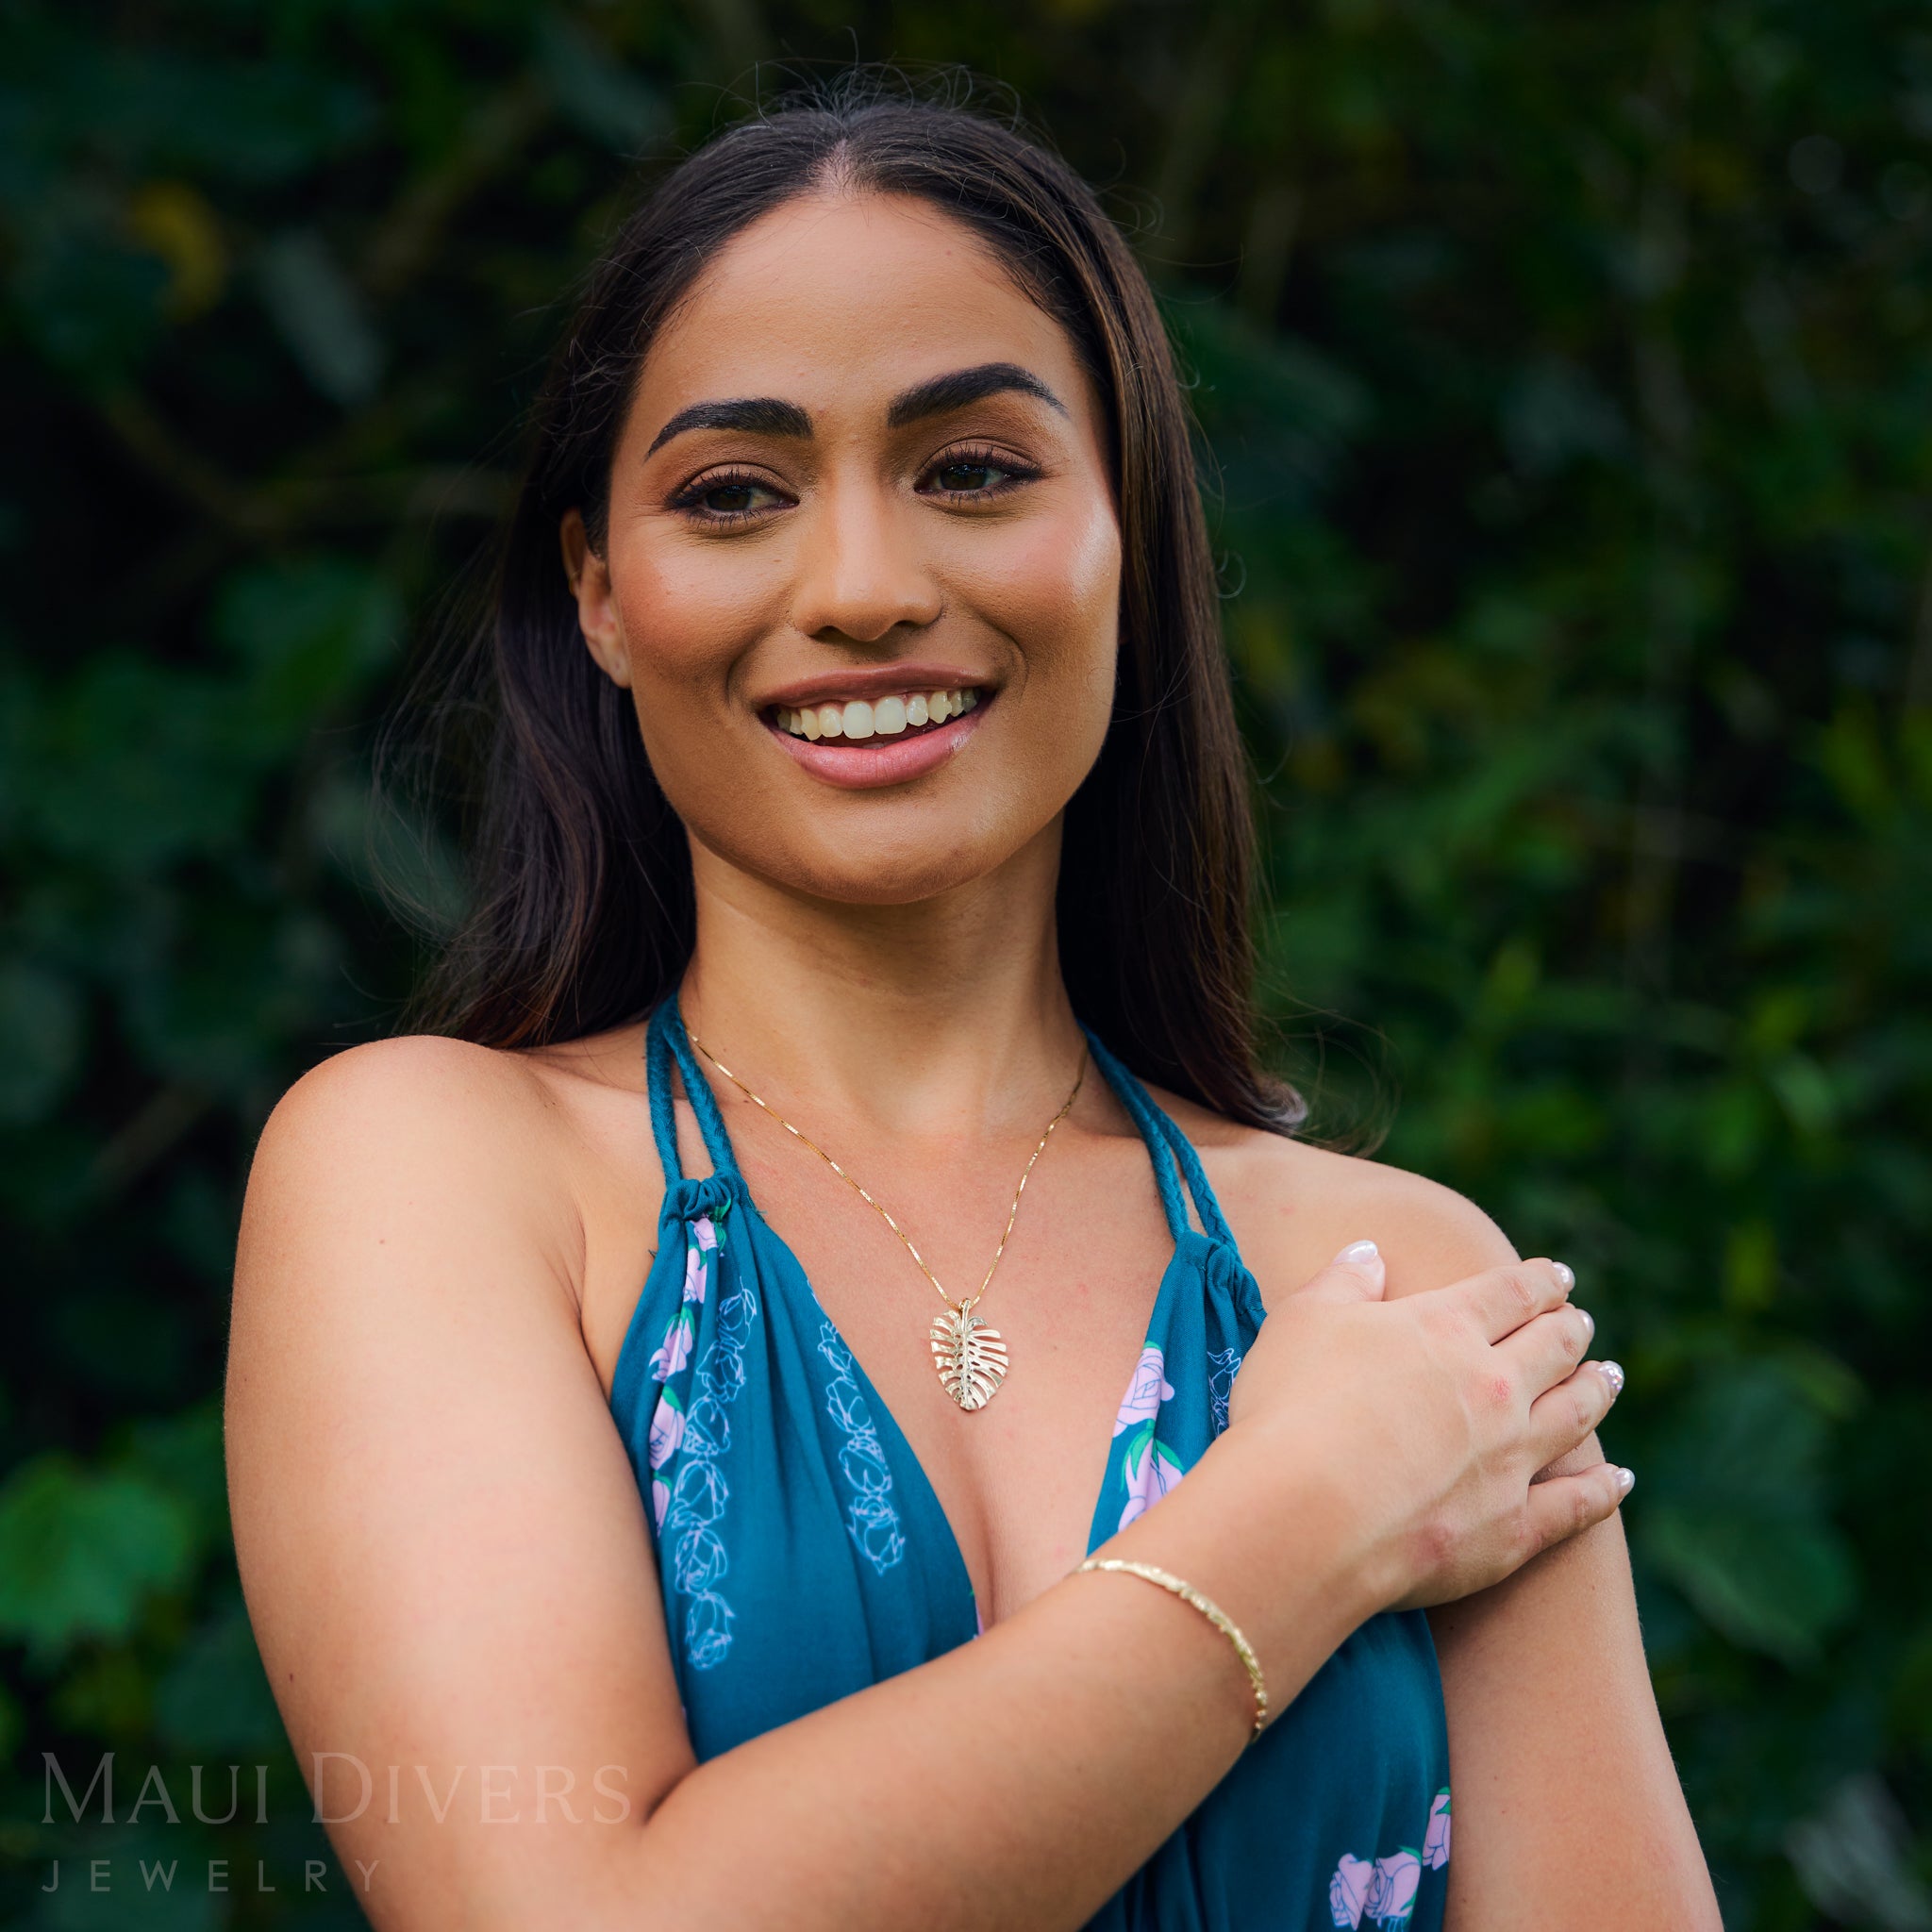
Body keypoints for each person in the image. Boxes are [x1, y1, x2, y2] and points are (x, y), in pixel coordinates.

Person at [225, 86, 1722, 1932]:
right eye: (734, 494)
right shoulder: (438, 1177)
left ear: (1129, 535)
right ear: (602, 593)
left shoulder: (1400, 1284)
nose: (864, 589)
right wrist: (1316, 1508)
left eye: (974, 471)